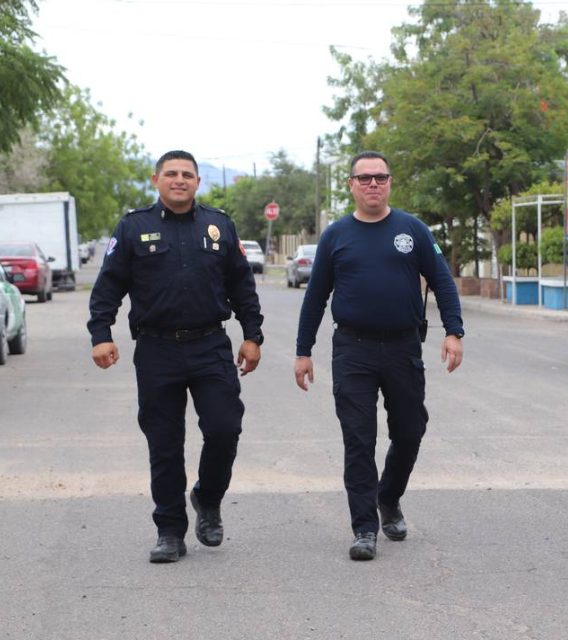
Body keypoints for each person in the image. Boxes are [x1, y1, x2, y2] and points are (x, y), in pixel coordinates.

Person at [88, 150, 264, 563]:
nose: (179, 180)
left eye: (187, 174)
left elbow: (242, 286)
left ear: (198, 182)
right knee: (164, 444)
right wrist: (101, 334)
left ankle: (207, 498)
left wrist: (252, 336)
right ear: (156, 180)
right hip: (157, 349)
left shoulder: (219, 225)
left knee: (224, 428)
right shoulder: (134, 227)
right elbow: (108, 287)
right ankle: (169, 530)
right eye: (171, 174)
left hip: (209, 346)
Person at [295, 150, 464, 561]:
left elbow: (442, 281)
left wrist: (454, 332)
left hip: (403, 346)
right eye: (365, 178)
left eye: (381, 177)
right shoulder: (336, 236)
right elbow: (315, 297)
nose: (373, 184)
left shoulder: (413, 230)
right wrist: (303, 351)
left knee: (410, 431)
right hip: (352, 349)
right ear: (351, 184)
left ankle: (388, 498)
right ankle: (364, 527)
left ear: (390, 183)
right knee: (359, 438)